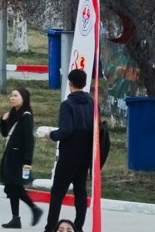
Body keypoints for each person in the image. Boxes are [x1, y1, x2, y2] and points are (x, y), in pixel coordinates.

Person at [40, 69, 94, 232]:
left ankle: (51, 227)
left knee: (57, 193)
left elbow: (66, 130)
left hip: (69, 155)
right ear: (84, 84)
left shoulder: (67, 105)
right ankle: (78, 227)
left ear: (70, 84)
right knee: (80, 192)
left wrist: (51, 135)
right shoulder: (91, 103)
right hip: (85, 155)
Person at [0, 88, 42, 229]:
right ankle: (16, 218)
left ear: (24, 99)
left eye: (16, 96)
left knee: (15, 186)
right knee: (12, 187)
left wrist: (27, 161)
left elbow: (29, 140)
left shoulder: (26, 115)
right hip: (9, 156)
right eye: (11, 95)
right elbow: (5, 133)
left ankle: (33, 209)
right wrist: (3, 121)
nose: (12, 98)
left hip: (18, 159)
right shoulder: (13, 113)